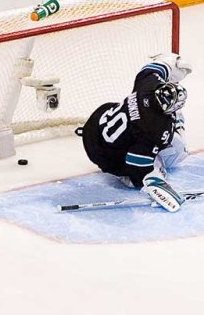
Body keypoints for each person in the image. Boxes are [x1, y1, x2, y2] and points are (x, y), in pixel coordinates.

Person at [77, 53, 193, 212]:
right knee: (178, 151)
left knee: (139, 131)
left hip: (94, 126)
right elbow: (138, 166)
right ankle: (125, 179)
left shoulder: (148, 84)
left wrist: (173, 64)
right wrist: (152, 180)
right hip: (102, 155)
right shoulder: (155, 129)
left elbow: (158, 65)